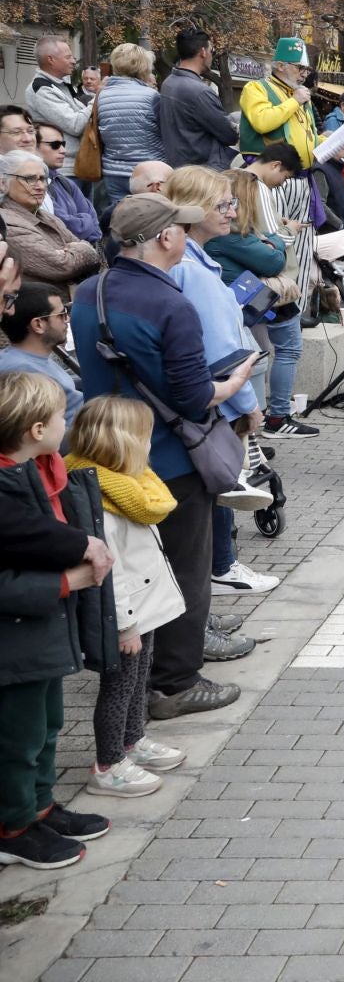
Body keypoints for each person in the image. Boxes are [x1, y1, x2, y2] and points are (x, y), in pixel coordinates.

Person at [71, 194, 256, 720]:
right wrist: (235, 381)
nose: (185, 236)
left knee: (132, 569)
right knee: (183, 570)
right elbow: (195, 396)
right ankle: (175, 682)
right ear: (164, 238)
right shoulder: (172, 305)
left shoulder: (90, 291)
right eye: (180, 228)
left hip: (106, 449)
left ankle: (134, 674)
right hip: (167, 458)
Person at [0, 369, 115, 869]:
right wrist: (67, 583)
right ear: (36, 431)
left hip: (43, 634)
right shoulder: (8, 487)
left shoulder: (36, 468)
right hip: (15, 641)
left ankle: (39, 806)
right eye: (59, 416)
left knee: (47, 725)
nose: (67, 422)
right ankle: (14, 825)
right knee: (17, 738)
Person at [162, 167, 277, 611]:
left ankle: (220, 570)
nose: (232, 212)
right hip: (219, 396)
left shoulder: (196, 262)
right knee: (219, 480)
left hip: (211, 394)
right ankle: (222, 568)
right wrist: (248, 406)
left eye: (231, 203)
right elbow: (223, 350)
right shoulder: (193, 271)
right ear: (192, 211)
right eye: (223, 205)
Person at [67, 397, 189, 799]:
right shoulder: (103, 503)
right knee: (119, 685)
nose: (150, 446)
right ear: (122, 444)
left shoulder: (127, 487)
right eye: (145, 438)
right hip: (126, 614)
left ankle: (132, 741)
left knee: (139, 678)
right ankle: (108, 764)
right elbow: (112, 573)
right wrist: (125, 624)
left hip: (143, 606)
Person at [207, 169, 305, 441]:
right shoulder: (231, 234)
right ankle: (273, 418)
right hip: (249, 302)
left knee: (263, 356)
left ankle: (261, 424)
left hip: (253, 302)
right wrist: (280, 236)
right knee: (272, 355)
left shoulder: (232, 233)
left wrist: (270, 240)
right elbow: (273, 261)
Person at [0, 149, 100, 297]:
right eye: (29, 179)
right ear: (2, 184)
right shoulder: (6, 222)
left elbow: (89, 255)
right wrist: (84, 250)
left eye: (42, 178)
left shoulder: (46, 216)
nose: (40, 186)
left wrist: (76, 252)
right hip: (35, 313)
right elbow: (61, 266)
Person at [0, 281, 81, 424]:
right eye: (62, 314)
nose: (67, 319)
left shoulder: (27, 360)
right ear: (38, 325)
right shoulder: (23, 373)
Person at [96, 44, 164, 211]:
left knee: (121, 221)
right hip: (148, 172)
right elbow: (164, 130)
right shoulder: (151, 96)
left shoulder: (102, 95)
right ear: (143, 66)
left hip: (113, 170)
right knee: (148, 223)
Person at [158, 29, 238, 169]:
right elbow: (229, 135)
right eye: (212, 50)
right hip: (202, 172)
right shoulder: (199, 92)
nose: (212, 55)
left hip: (179, 168)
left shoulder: (168, 83)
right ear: (203, 52)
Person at [237, 38, 318, 168]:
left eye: (307, 69)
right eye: (300, 68)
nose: (305, 75)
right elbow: (262, 122)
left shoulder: (298, 93)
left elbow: (306, 135)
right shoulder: (255, 87)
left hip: (304, 176)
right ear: (280, 66)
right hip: (271, 176)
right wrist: (295, 101)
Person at [27, 36, 96, 179]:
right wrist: (98, 98)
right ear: (51, 59)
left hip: (79, 165)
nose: (73, 61)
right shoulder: (42, 89)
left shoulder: (62, 85)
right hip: (62, 170)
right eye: (68, 57)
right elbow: (75, 125)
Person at [35, 124, 99, 243]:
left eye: (63, 144)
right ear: (34, 146)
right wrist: (85, 223)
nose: (63, 150)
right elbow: (67, 225)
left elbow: (94, 222)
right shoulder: (34, 185)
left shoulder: (64, 182)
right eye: (55, 145)